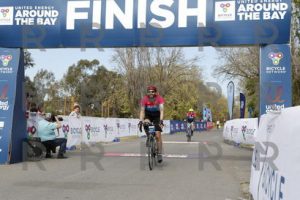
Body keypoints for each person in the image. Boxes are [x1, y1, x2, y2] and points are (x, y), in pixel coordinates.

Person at [139, 85, 165, 163]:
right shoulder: (144, 99)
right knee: (146, 123)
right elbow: (142, 111)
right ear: (147, 92)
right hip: (148, 115)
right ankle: (149, 136)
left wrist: (161, 121)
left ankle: (159, 153)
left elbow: (162, 111)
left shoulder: (159, 98)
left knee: (157, 135)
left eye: (152, 92)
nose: (151, 93)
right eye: (149, 92)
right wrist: (141, 121)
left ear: (155, 92)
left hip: (157, 115)